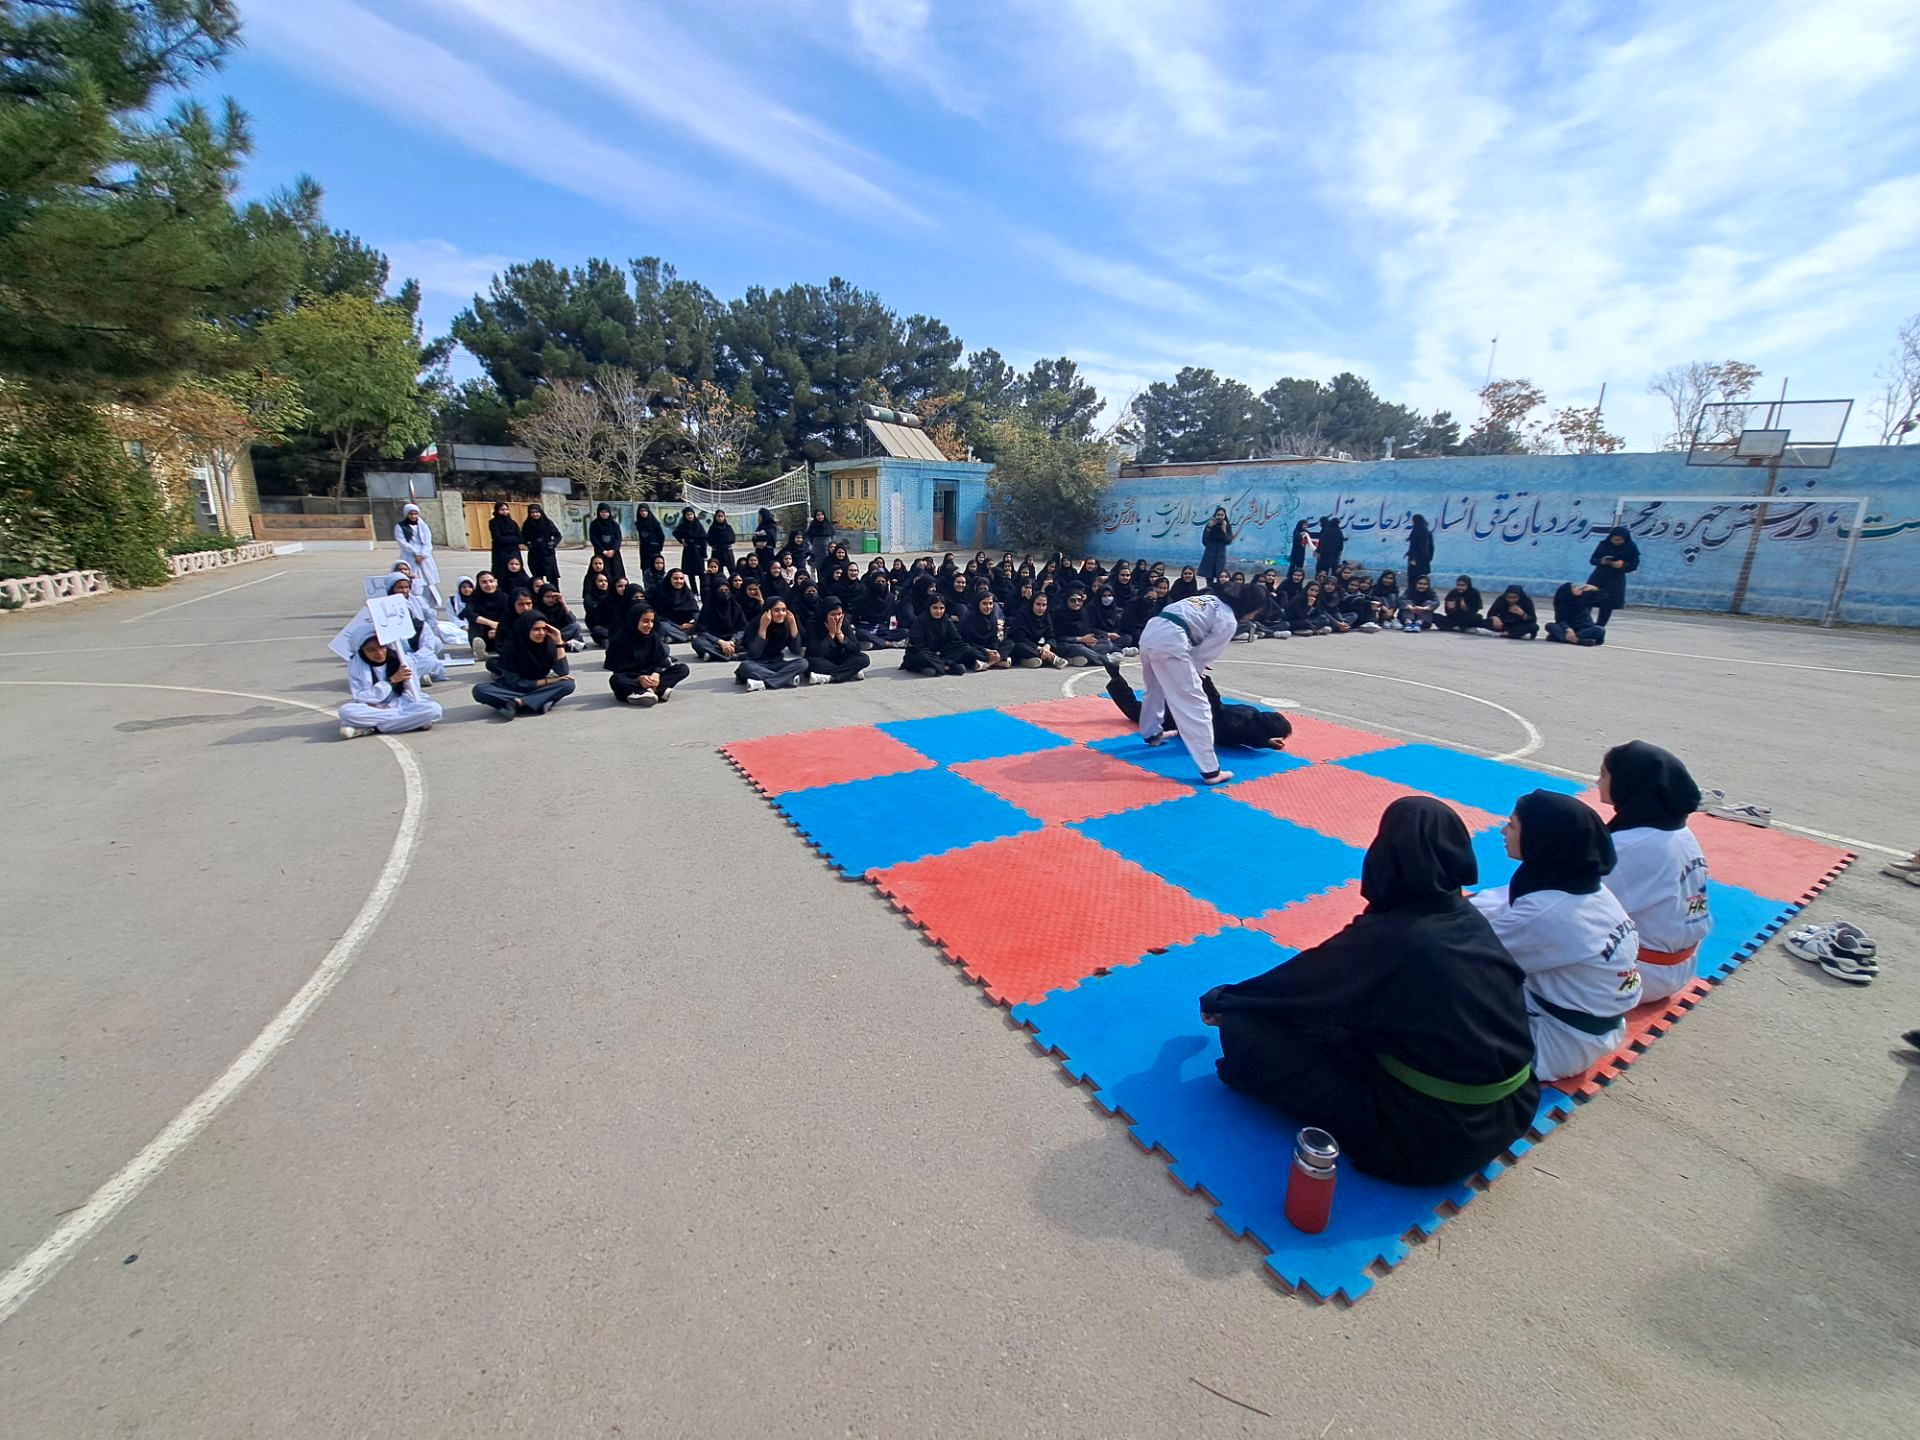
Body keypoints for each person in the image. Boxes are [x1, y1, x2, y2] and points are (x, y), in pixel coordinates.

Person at [1197, 798, 1539, 1185]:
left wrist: (1225, 1000)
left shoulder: (1396, 937)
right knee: (1340, 1014)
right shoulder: (1466, 918)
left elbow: (1299, 986)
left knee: (1246, 1027)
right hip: (1512, 1111)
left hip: (1431, 1141)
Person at [1470, 791, 1642, 1082]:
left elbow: (1465, 957)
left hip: (1554, 1043)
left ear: (1540, 838)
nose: (1503, 831)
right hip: (1595, 1026)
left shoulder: (1545, 916)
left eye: (1512, 825)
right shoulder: (1587, 887)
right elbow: (1502, 907)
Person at [1599, 742, 1711, 1003]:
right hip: (1681, 965)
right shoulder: (1679, 832)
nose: (1597, 781)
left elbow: (1570, 908)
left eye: (1604, 774)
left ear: (1629, 783)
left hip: (1636, 975)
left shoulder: (1628, 847)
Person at [1134, 585, 1272, 785]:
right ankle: (1210, 770)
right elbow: (1201, 657)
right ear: (1248, 606)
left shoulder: (1210, 600)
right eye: (1254, 612)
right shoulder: (1228, 620)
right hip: (1171, 641)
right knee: (1197, 706)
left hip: (1151, 634)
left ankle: (1152, 733)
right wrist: (1193, 674)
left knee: (1154, 687)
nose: (1251, 617)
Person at [1102, 664, 1291, 750]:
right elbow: (1216, 711)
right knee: (1137, 712)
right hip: (1186, 719)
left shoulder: (1252, 714)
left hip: (1191, 709)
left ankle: (1118, 677)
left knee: (1144, 707)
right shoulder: (1237, 727)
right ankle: (1116, 677)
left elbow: (1250, 737)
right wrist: (1206, 683)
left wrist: (1266, 742)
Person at [338, 633, 443, 739]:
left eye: (381, 647)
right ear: (362, 651)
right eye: (371, 650)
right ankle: (411, 722)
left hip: (402, 704)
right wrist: (391, 681)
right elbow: (361, 697)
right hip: (373, 707)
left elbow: (412, 694)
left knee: (433, 709)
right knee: (346, 711)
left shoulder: (403, 660)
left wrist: (390, 707)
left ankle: (373, 728)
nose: (379, 653)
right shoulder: (356, 664)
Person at [471, 613, 577, 719]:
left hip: (539, 687)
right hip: (513, 688)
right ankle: (537, 701)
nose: (541, 633)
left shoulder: (548, 645)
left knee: (568, 684)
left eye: (544, 629)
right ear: (525, 629)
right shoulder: (511, 647)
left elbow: (563, 672)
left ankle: (517, 703)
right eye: (536, 629)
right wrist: (548, 681)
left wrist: (558, 642)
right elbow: (515, 682)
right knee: (479, 690)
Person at [605, 605, 689, 707]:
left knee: (683, 668)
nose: (649, 625)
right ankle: (651, 691)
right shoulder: (618, 640)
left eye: (652, 621)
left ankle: (651, 690)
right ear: (634, 620)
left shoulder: (652, 637)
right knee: (616, 680)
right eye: (645, 621)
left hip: (651, 676)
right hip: (631, 679)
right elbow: (618, 669)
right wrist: (639, 679)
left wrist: (656, 674)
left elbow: (661, 661)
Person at [737, 595, 811, 691]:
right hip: (758, 664)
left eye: (784, 610)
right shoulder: (755, 625)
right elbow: (756, 654)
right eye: (776, 610)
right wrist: (763, 627)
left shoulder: (786, 625)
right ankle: (786, 679)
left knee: (803, 663)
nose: (781, 613)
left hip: (777, 663)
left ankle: (763, 682)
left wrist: (793, 624)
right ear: (768, 611)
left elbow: (796, 650)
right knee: (745, 667)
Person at [902, 594, 978, 676]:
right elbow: (918, 646)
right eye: (935, 608)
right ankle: (946, 667)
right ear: (929, 608)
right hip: (925, 653)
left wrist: (943, 651)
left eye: (941, 608)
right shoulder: (920, 622)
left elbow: (956, 640)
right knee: (922, 656)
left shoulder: (947, 621)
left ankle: (936, 666)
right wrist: (934, 654)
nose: (938, 611)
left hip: (941, 654)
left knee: (965, 648)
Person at [806, 598, 871, 683]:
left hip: (840, 657)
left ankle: (830, 677)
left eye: (839, 614)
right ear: (825, 614)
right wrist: (831, 635)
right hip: (823, 659)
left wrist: (840, 635)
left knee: (864, 658)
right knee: (810, 663)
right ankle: (850, 672)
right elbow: (815, 652)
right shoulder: (813, 624)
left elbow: (856, 648)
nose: (837, 618)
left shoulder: (844, 622)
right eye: (833, 615)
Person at [393, 503, 444, 612]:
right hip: (410, 556)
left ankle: (429, 607)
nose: (413, 516)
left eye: (415, 514)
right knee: (414, 580)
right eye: (411, 514)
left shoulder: (423, 525)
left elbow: (428, 541)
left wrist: (423, 554)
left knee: (427, 582)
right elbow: (402, 542)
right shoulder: (400, 526)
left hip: (425, 557)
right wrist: (415, 553)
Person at [1586, 526, 1640, 625]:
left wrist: (1622, 565)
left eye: (1620, 540)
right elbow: (1593, 560)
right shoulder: (1604, 544)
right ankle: (1585, 624)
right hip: (1598, 577)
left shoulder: (1630, 547)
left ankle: (1599, 628)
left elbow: (1634, 565)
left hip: (1615, 580)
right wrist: (1602, 561)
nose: (1617, 542)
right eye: (1615, 539)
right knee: (1588, 601)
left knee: (1607, 605)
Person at [691, 579, 747, 662]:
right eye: (721, 591)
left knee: (752, 641)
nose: (724, 593)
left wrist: (732, 641)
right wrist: (720, 642)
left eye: (726, 590)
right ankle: (732, 656)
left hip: (734, 642)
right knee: (697, 642)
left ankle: (714, 654)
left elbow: (743, 629)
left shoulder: (736, 607)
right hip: (714, 642)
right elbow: (702, 631)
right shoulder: (708, 608)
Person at [1007, 594, 1068, 669]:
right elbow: (1019, 638)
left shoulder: (1046, 616)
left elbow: (1051, 636)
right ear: (1032, 604)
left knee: (1060, 646)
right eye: (1038, 604)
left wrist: (1047, 647)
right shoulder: (1022, 615)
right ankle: (1052, 658)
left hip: (1039, 646)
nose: (1041, 608)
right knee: (1020, 647)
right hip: (1025, 644)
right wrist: (1038, 648)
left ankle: (1034, 659)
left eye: (1044, 605)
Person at [959, 591, 1013, 670]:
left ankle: (988, 664)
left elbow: (993, 638)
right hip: (975, 648)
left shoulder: (993, 618)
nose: (988, 606)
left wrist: (994, 650)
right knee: (967, 650)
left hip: (988, 648)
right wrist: (986, 651)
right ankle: (998, 661)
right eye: (984, 603)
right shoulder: (968, 619)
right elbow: (966, 641)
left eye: (990, 603)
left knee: (1010, 643)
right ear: (978, 604)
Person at [653, 568, 700, 643]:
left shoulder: (687, 592)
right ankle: (687, 637)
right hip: (669, 624)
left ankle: (674, 638)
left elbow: (695, 611)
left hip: (686, 625)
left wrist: (697, 621)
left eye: (681, 579)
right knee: (661, 626)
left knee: (703, 622)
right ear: (669, 579)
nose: (679, 581)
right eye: (675, 578)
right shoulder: (662, 593)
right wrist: (679, 627)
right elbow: (660, 617)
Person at [536, 586, 589, 650]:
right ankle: (562, 643)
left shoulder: (559, 607)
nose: (550, 600)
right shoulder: (537, 609)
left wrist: (563, 603)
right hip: (546, 634)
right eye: (547, 597)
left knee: (576, 626)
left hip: (561, 633)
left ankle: (560, 643)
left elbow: (572, 620)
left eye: (553, 597)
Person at [522, 502, 562, 586]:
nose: (535, 514)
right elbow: (523, 537)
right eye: (532, 512)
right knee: (538, 578)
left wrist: (553, 543)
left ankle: (555, 595)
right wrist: (528, 543)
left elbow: (558, 535)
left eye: (537, 512)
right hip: (534, 555)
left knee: (553, 578)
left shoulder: (547, 523)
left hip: (548, 554)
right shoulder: (527, 525)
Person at [673, 507, 709, 597]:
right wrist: (681, 540)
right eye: (688, 515)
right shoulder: (683, 525)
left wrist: (704, 554)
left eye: (691, 514)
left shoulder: (698, 525)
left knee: (701, 573)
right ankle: (694, 592)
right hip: (688, 551)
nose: (690, 516)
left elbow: (703, 539)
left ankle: (703, 592)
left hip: (698, 551)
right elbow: (676, 532)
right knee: (690, 574)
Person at [589, 503, 626, 583]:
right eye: (602, 512)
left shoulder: (614, 524)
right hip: (601, 554)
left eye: (606, 512)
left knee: (617, 573)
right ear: (599, 512)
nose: (604, 514)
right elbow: (593, 538)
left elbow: (618, 538)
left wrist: (614, 550)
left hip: (614, 553)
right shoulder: (594, 524)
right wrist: (603, 551)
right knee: (603, 574)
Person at [487, 502, 523, 581]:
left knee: (516, 571)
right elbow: (498, 538)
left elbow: (521, 538)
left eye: (506, 509)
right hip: (500, 552)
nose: (504, 512)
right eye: (502, 510)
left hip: (514, 551)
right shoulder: (493, 523)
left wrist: (506, 539)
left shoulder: (513, 523)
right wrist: (513, 539)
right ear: (497, 510)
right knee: (501, 574)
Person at [582, 571, 618, 647]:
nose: (603, 583)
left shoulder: (613, 595)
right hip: (599, 625)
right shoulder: (589, 596)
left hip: (614, 626)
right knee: (597, 631)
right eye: (600, 581)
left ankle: (610, 640)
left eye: (606, 581)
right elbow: (592, 611)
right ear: (595, 583)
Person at [1200, 506, 1234, 582]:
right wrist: (1208, 528)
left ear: (1225, 516)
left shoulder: (1227, 526)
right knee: (1209, 577)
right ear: (1215, 515)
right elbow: (1204, 541)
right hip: (1210, 554)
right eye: (1218, 515)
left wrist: (1224, 530)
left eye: (1222, 515)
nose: (1220, 517)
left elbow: (1228, 541)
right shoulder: (1209, 526)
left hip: (1220, 555)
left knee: (1221, 576)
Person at [635, 503, 666, 575]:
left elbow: (661, 536)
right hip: (644, 549)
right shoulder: (639, 523)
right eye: (641, 511)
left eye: (645, 511)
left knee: (655, 568)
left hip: (654, 549)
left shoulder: (654, 522)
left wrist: (659, 547)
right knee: (645, 569)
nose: (643, 513)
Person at [1406, 513, 1434, 588]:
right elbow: (1431, 548)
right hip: (1424, 562)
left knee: (1414, 581)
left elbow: (1413, 547)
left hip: (1415, 562)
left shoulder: (1416, 532)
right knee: (1422, 580)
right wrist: (1428, 559)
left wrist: (1413, 558)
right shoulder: (1428, 533)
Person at [708, 508, 737, 574]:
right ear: (715, 517)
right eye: (718, 516)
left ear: (724, 517)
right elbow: (709, 539)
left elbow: (732, 539)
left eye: (721, 516)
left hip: (727, 552)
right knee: (718, 571)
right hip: (716, 552)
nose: (720, 518)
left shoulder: (728, 527)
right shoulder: (712, 528)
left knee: (732, 570)